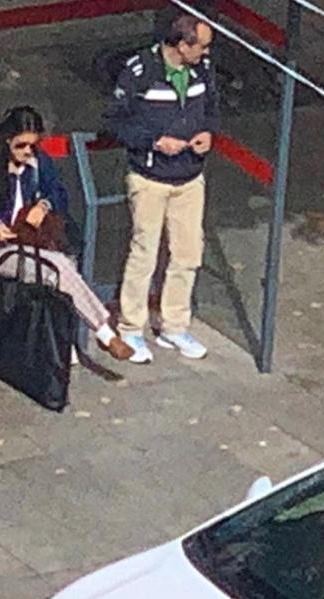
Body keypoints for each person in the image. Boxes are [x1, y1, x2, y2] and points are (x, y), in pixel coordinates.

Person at [0, 105, 135, 362]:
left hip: (34, 244)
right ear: (6, 141)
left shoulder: (38, 164)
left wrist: (43, 205)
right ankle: (102, 332)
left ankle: (69, 337)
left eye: (32, 146)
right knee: (56, 269)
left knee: (61, 265)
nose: (27, 152)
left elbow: (59, 194)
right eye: (21, 146)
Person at [105, 12, 219, 364]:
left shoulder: (202, 70)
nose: (205, 53)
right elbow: (114, 121)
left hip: (189, 178)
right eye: (200, 46)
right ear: (182, 45)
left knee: (187, 254)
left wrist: (208, 134)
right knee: (145, 254)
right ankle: (131, 328)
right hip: (150, 178)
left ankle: (174, 325)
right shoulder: (140, 70)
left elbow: (212, 109)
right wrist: (154, 141)